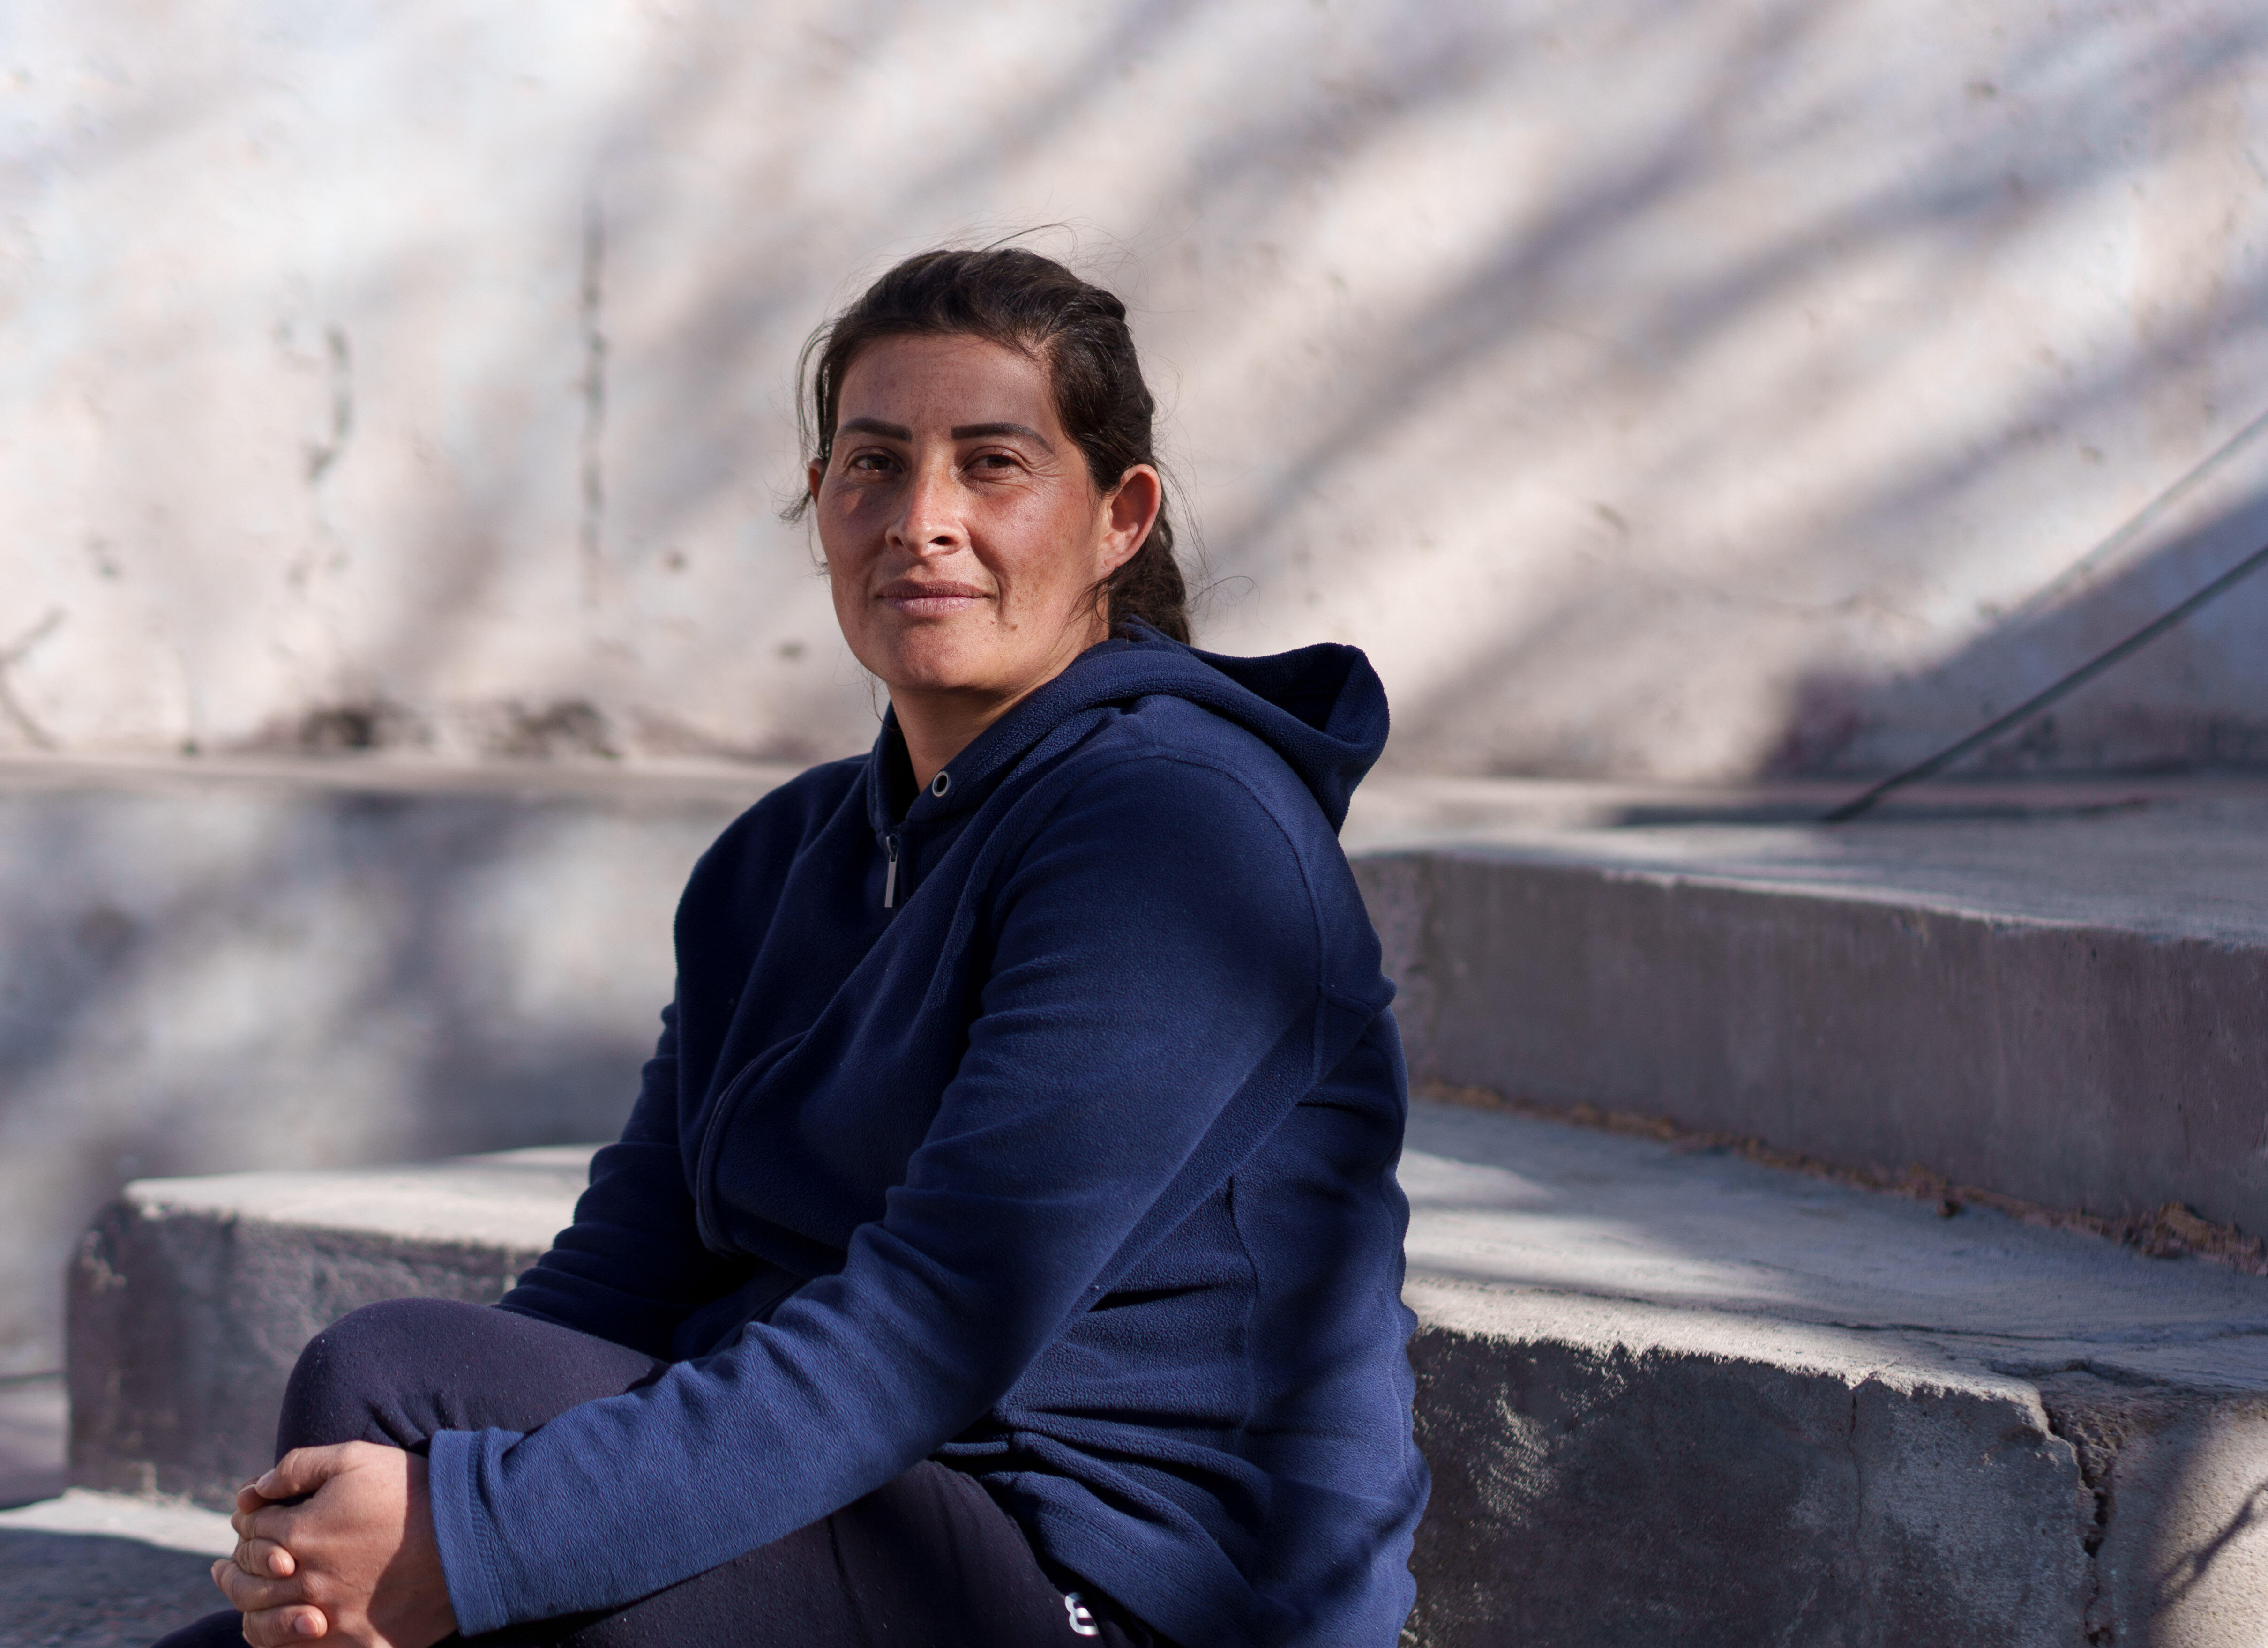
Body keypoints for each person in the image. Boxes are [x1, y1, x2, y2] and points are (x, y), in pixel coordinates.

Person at [159, 247, 1427, 1648]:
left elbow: (935, 1320)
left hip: (1118, 1581)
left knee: (397, 1394)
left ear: (1118, 517)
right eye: (872, 467)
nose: (920, 522)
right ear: (821, 506)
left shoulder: (1184, 833)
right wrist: (418, 1527)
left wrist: (484, 1529)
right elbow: (623, 1280)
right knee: (390, 1444)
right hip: (857, 1507)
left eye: (992, 464)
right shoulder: (778, 861)